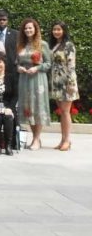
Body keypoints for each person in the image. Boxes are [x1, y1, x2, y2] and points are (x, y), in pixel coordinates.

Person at [16, 18, 52, 151]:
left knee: (38, 107)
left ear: (35, 29)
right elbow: (17, 62)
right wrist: (19, 68)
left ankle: (36, 139)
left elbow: (48, 64)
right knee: (28, 109)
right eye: (26, 28)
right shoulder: (21, 44)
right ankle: (35, 137)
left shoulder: (42, 44)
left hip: (38, 79)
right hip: (24, 79)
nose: (28, 30)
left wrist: (37, 68)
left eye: (30, 28)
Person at [49, 21, 78, 152]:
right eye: (54, 29)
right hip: (56, 82)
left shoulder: (68, 45)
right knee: (62, 112)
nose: (56, 32)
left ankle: (67, 140)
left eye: (59, 29)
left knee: (65, 112)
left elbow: (71, 66)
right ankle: (62, 140)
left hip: (66, 83)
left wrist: (71, 83)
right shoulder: (54, 45)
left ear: (64, 31)